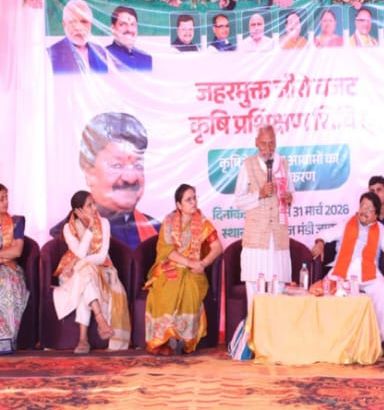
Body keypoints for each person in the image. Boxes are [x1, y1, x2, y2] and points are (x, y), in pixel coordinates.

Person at [320, 192, 384, 358]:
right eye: (363, 206)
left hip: (369, 273)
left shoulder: (380, 229)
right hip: (343, 272)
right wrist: (319, 243)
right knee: (327, 295)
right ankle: (331, 340)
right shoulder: (346, 223)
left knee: (382, 292)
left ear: (376, 215)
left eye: (369, 209)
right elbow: (326, 235)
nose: (364, 211)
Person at [60, 112, 160, 250]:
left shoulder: (157, 230)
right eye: (117, 165)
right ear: (89, 173)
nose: (130, 178)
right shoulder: (67, 233)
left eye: (137, 165)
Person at [143, 184, 221, 355]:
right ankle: (166, 338)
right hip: (169, 266)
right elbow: (166, 251)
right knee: (169, 286)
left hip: (195, 271)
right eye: (188, 200)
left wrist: (203, 263)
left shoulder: (203, 222)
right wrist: (189, 262)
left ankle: (184, 338)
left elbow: (217, 247)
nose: (193, 202)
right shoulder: (169, 222)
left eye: (194, 198)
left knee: (191, 287)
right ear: (179, 205)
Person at [53, 191, 132, 353]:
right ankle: (100, 320)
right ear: (78, 211)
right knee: (85, 275)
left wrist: (80, 264)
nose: (95, 208)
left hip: (102, 270)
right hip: (74, 274)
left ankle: (83, 340)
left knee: (84, 272)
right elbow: (80, 253)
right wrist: (89, 228)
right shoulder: (69, 228)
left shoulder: (104, 223)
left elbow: (101, 257)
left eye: (94, 203)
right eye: (89, 205)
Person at [234, 126, 293, 302]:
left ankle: (276, 320)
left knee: (278, 286)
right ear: (256, 143)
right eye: (263, 144)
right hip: (256, 237)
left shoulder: (283, 164)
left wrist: (289, 197)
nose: (268, 149)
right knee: (254, 286)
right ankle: (255, 320)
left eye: (271, 143)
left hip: (278, 236)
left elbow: (291, 193)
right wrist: (259, 194)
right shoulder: (248, 165)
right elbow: (239, 201)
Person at [48, 0, 113, 74]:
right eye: (72, 22)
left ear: (91, 24)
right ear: (64, 24)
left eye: (84, 22)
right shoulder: (50, 53)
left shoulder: (102, 52)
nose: (78, 27)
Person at [0, 184, 28, 354]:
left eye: (6, 198)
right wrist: (4, 254)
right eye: (1, 199)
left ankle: (5, 340)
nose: (6, 202)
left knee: (6, 284)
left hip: (10, 269)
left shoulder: (17, 222)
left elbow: (17, 251)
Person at [106, 6, 153, 71]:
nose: (129, 29)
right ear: (113, 28)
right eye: (123, 24)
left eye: (132, 24)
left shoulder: (146, 58)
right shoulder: (103, 55)